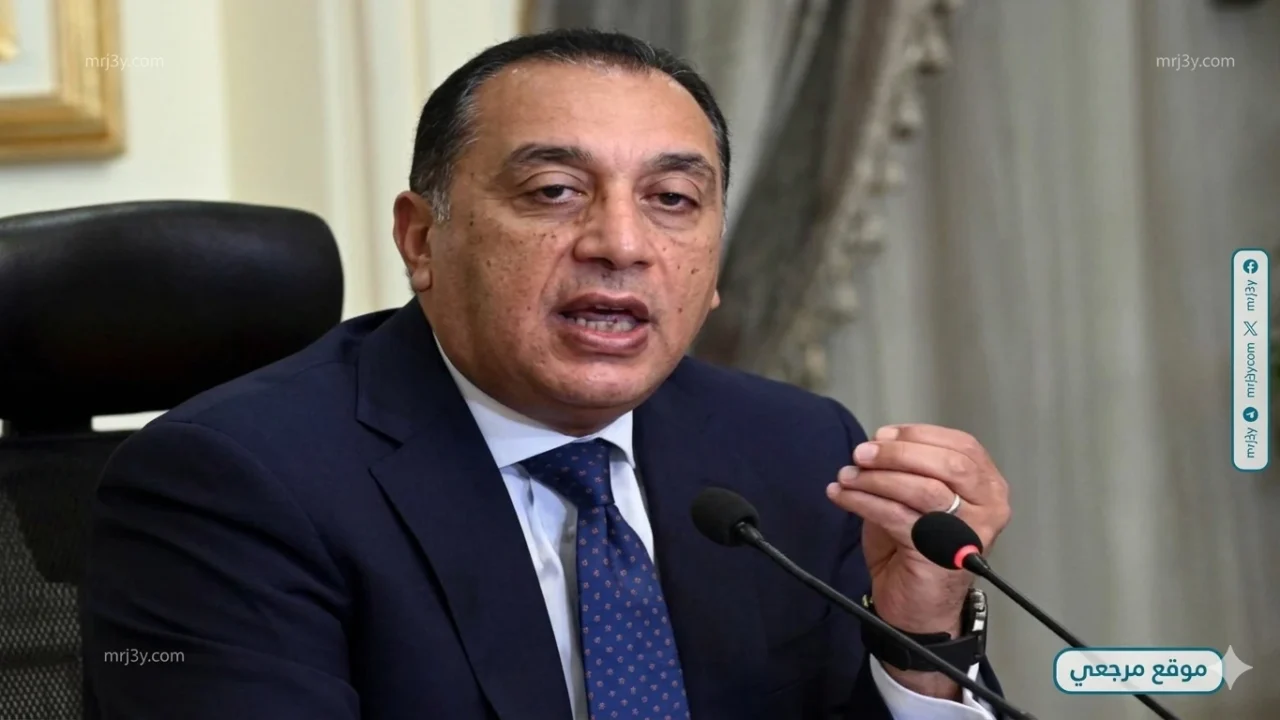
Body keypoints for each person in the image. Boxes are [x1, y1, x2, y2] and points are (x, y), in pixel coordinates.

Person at [83, 29, 1013, 720]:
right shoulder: (232, 486)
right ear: (422, 238)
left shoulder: (794, 452)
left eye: (673, 199)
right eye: (555, 192)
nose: (621, 243)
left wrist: (919, 638)